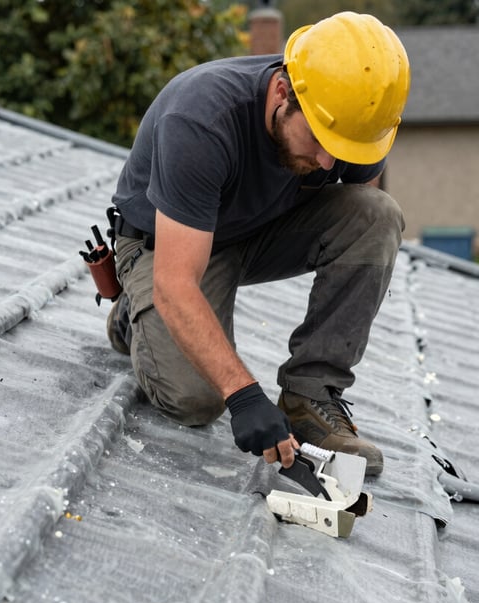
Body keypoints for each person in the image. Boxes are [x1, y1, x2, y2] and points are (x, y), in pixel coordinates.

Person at [107, 11, 410, 477]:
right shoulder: (200, 118)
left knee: (378, 216)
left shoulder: (354, 120)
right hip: (166, 246)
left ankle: (310, 394)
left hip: (259, 228)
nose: (328, 160)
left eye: (343, 148)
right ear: (284, 91)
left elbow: (357, 223)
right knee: (197, 400)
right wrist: (244, 394)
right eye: (317, 138)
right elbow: (175, 280)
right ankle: (135, 317)